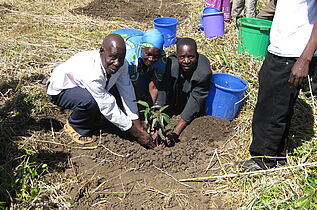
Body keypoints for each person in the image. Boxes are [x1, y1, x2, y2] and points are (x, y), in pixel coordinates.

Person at [240, 0, 317, 171]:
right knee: (276, 105)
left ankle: (263, 160)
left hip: (293, 53)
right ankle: (276, 156)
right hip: (280, 48)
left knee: (271, 108)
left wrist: (305, 59)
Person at [46, 34, 156, 149]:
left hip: (87, 88)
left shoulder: (122, 64)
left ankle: (93, 117)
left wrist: (138, 124)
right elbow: (107, 104)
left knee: (114, 96)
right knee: (90, 101)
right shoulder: (91, 70)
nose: (117, 63)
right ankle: (75, 125)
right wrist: (135, 132)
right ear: (102, 51)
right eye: (112, 57)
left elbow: (127, 91)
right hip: (61, 91)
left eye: (121, 59)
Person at [156, 38, 212, 147]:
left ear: (197, 55)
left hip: (189, 96)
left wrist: (175, 133)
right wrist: (158, 120)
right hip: (176, 93)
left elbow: (195, 100)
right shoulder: (171, 65)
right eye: (182, 57)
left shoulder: (203, 72)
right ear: (177, 56)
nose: (186, 61)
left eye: (191, 57)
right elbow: (163, 90)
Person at [113, 29, 166, 107]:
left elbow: (154, 86)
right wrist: (139, 106)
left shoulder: (162, 59)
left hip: (139, 35)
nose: (151, 59)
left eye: (155, 56)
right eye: (148, 54)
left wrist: (151, 107)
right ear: (142, 49)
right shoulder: (130, 58)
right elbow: (134, 85)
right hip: (120, 37)